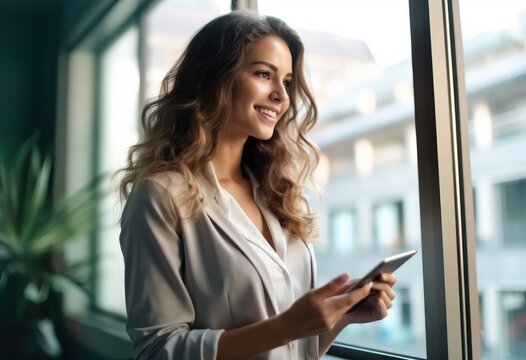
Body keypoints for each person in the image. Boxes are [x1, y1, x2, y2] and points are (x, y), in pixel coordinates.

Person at [118, 10, 397, 360]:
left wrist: (338, 318)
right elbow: (157, 351)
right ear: (215, 77)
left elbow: (289, 350)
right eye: (264, 74)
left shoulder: (276, 194)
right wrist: (290, 325)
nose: (281, 95)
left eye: (287, 80)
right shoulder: (160, 197)